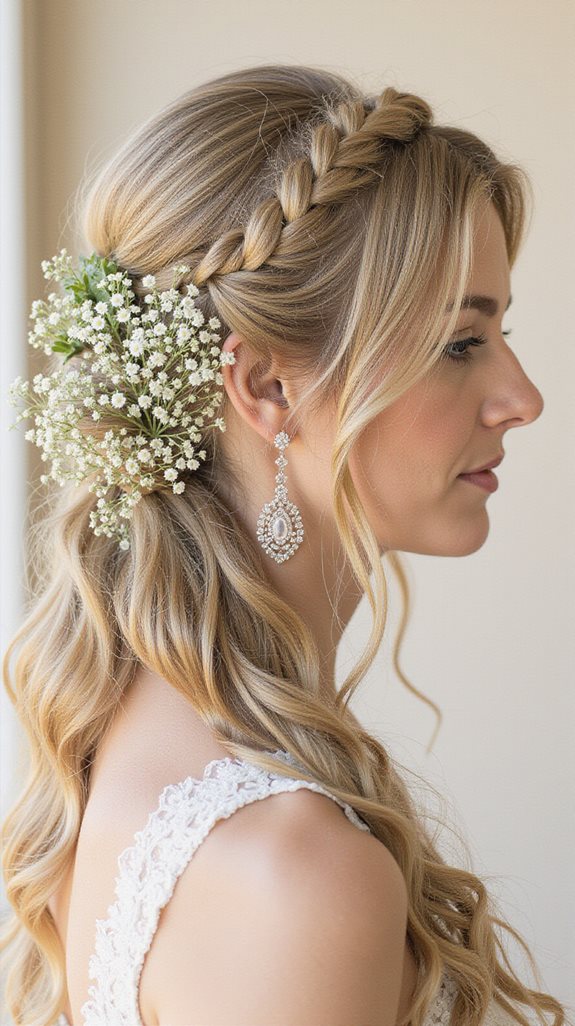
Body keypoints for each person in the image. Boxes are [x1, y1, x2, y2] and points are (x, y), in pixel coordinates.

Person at [0, 63, 568, 1026]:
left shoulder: (132, 735)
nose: (522, 399)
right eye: (459, 343)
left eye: (500, 332)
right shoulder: (291, 871)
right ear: (266, 389)